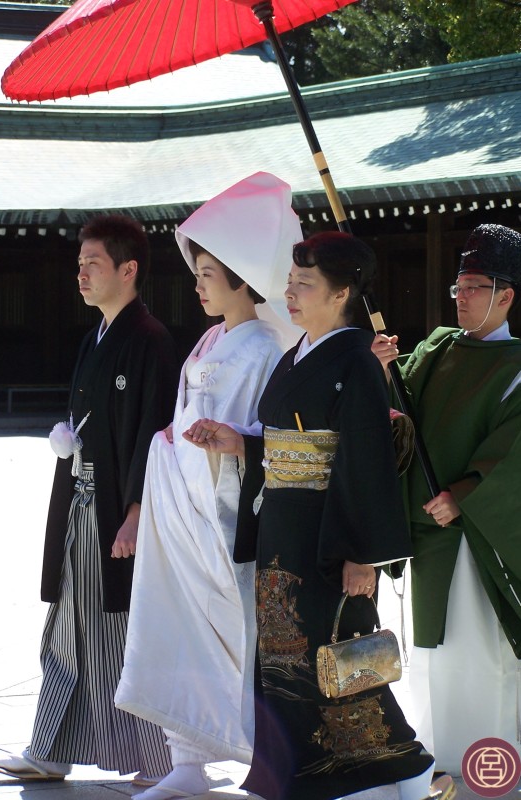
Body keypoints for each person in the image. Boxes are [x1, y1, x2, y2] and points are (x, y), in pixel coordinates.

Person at [183, 231, 455, 800]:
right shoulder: (298, 353)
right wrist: (240, 444)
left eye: (305, 284)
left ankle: (402, 771)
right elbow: (285, 441)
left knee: (339, 657)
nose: (291, 293)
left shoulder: (354, 357)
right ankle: (306, 774)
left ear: (342, 293)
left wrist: (363, 553)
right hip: (285, 528)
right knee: (287, 661)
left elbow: (365, 461)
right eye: (289, 282)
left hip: (331, 539)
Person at [113, 172, 303, 800]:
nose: (197, 287)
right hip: (182, 508)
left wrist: (205, 447)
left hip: (224, 519)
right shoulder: (210, 340)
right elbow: (184, 418)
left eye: (207, 277)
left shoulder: (264, 349)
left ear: (242, 279)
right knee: (177, 627)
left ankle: (257, 754)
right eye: (195, 276)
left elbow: (257, 435)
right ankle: (187, 758)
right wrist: (171, 446)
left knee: (237, 636)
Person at [0, 214, 179, 782]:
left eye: (93, 263)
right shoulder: (98, 336)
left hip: (117, 511)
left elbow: (155, 431)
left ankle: (155, 757)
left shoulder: (151, 342)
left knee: (118, 632)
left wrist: (138, 512)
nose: (81, 274)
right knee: (70, 627)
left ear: (129, 268)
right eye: (79, 265)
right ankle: (50, 747)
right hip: (83, 505)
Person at [372, 223, 521, 775]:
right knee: (429, 662)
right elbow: (399, 414)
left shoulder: (518, 369)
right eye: (458, 286)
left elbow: (513, 454)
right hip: (424, 531)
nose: (461, 297)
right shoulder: (435, 348)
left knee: (480, 656)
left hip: (474, 538)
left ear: (505, 296)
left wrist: (464, 494)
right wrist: (385, 370)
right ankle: (437, 765)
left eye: (475, 287)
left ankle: (492, 771)